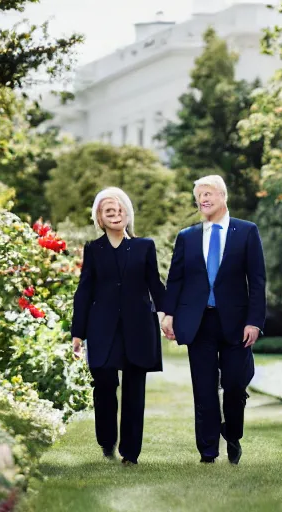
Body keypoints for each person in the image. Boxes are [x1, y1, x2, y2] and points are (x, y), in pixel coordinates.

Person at [161, 175, 266, 464]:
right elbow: (176, 279)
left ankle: (232, 434)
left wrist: (254, 322)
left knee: (234, 384)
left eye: (208, 194)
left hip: (236, 323)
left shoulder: (246, 231)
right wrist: (168, 314)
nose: (203, 199)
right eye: (199, 196)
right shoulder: (187, 236)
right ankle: (208, 451)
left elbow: (257, 281)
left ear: (223, 196)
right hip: (198, 322)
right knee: (204, 389)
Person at [71, 187, 165, 466]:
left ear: (128, 214)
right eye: (108, 211)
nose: (115, 214)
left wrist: (167, 316)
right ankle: (107, 440)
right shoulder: (93, 249)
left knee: (135, 390)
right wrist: (78, 333)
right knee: (104, 383)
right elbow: (84, 292)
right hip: (102, 329)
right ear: (99, 218)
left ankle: (131, 453)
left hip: (138, 327)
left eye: (119, 209)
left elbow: (155, 286)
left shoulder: (144, 246)